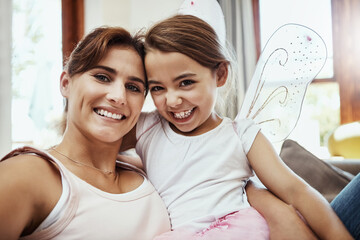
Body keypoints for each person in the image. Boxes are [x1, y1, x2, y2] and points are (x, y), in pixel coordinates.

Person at [120, 14, 353, 239]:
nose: (172, 101)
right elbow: (93, 145)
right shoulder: (147, 127)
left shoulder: (240, 134)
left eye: (186, 82)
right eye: (158, 88)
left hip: (240, 230)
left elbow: (295, 190)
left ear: (220, 74)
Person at [0, 26, 171, 240]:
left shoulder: (151, 172)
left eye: (134, 87)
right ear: (65, 83)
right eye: (102, 77)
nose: (119, 97)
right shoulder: (27, 174)